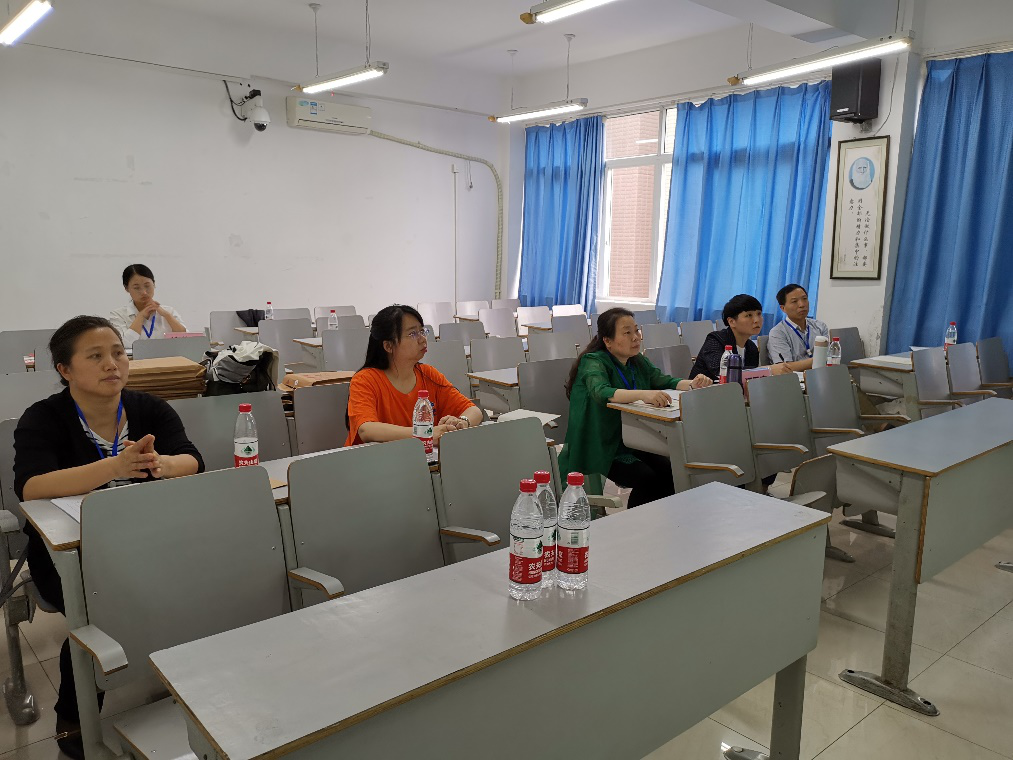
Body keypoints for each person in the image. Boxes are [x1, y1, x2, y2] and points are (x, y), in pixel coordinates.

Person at [13, 316, 203, 760]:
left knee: (208, 583)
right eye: (95, 356)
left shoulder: (149, 409)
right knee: (103, 612)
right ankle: (74, 717)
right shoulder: (43, 418)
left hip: (148, 536)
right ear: (65, 369)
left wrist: (161, 464)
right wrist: (114, 467)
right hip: (69, 551)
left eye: (118, 353)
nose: (112, 364)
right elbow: (31, 487)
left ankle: (193, 683)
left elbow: (193, 460)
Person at [558, 308, 711, 508]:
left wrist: (692, 384)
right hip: (601, 443)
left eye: (636, 330)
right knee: (646, 479)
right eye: (627, 332)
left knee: (670, 472)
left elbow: (664, 380)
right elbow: (601, 392)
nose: (636, 337)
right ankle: (636, 522)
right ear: (608, 340)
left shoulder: (637, 361)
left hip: (634, 437)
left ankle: (660, 520)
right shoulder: (593, 361)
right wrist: (643, 394)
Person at [345, 305, 483, 447]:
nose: (423, 339)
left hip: (420, 457)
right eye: (412, 334)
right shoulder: (365, 380)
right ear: (388, 346)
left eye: (422, 331)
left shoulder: (429, 374)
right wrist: (425, 434)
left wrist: (462, 422)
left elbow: (474, 411)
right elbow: (366, 429)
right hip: (375, 457)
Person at [108, 264, 187, 349]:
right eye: (137, 288)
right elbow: (124, 344)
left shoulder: (169, 311)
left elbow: (186, 339)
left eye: (147, 286)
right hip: (135, 358)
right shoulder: (118, 315)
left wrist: (166, 315)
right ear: (126, 288)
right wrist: (141, 316)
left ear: (154, 284)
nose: (144, 292)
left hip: (168, 357)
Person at [689, 294, 766, 381]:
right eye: (749, 315)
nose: (757, 320)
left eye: (759, 314)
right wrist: (767, 370)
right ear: (732, 321)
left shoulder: (752, 348)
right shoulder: (715, 340)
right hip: (704, 388)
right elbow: (721, 372)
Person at [766, 284, 829, 373]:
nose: (802, 305)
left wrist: (824, 359)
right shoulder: (778, 333)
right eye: (794, 301)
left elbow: (828, 358)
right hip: (794, 379)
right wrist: (819, 360)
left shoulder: (820, 326)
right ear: (783, 308)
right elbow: (785, 368)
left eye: (804, 299)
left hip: (820, 375)